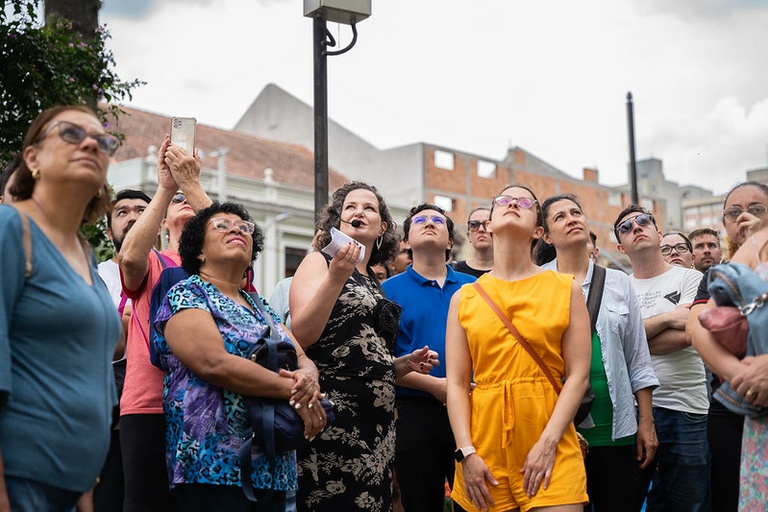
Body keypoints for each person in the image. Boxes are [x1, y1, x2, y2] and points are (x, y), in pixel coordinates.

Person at [152, 202, 325, 511]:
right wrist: (296, 391)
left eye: (244, 227)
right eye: (221, 226)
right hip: (212, 463)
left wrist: (309, 377)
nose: (236, 229)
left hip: (273, 463)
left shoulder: (261, 306)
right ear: (199, 251)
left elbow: (301, 356)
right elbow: (213, 364)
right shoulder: (187, 293)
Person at [289, 181, 439, 511]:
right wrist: (335, 278)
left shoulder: (375, 281)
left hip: (378, 424)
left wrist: (404, 364)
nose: (359, 211)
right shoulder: (319, 263)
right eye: (351, 207)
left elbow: (366, 355)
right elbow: (302, 334)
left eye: (369, 208)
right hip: (332, 417)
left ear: (383, 227)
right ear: (337, 222)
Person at [0, 105, 121, 511]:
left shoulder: (83, 251)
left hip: (73, 486)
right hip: (19, 481)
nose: (90, 143)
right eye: (70, 133)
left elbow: (89, 369)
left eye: (103, 141)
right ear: (32, 157)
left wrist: (86, 491)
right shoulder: (8, 228)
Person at [446, 184, 591, 512]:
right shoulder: (463, 298)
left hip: (550, 438)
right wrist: (466, 452)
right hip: (484, 447)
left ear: (538, 231)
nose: (513, 204)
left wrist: (549, 442)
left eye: (524, 202)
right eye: (504, 201)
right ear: (489, 223)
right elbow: (455, 383)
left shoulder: (566, 288)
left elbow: (579, 375)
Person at [538, 194, 659, 511]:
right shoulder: (537, 285)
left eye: (576, 212)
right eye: (560, 216)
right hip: (558, 427)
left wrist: (645, 421)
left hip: (617, 426)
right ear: (546, 235)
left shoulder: (619, 282)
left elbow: (638, 359)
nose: (572, 219)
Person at [118, 135, 212, 512]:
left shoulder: (220, 268)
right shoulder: (154, 261)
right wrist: (166, 187)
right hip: (149, 405)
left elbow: (238, 241)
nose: (184, 202)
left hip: (210, 406)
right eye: (177, 203)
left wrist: (191, 184)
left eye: (191, 197)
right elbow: (128, 260)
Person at [613, 205, 709, 512]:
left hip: (686, 409)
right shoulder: (617, 288)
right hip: (631, 412)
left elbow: (690, 334)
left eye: (643, 222)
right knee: (626, 501)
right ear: (619, 246)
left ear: (659, 233)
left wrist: (631, 339)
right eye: (626, 228)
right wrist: (670, 317)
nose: (636, 228)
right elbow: (612, 344)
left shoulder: (691, 278)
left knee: (689, 504)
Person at [382, 203, 476, 512]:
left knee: (476, 500)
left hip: (474, 407)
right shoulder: (387, 291)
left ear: (450, 241)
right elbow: (382, 362)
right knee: (421, 501)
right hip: (414, 413)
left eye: (438, 220)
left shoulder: (475, 288)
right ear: (406, 241)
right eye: (420, 220)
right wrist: (436, 386)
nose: (429, 223)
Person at [686, 182, 768, 511]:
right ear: (726, 225)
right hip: (742, 406)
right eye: (734, 212)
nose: (744, 216)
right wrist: (743, 377)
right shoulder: (725, 272)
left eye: (757, 208)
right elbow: (697, 328)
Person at [94, 188, 151, 512]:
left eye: (142, 210)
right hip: (111, 416)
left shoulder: (174, 273)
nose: (133, 217)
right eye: (123, 212)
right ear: (107, 229)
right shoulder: (96, 274)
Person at [452, 207, 493, 277]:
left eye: (487, 224)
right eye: (473, 225)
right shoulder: (453, 271)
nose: (481, 229)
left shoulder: (511, 272)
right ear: (468, 236)